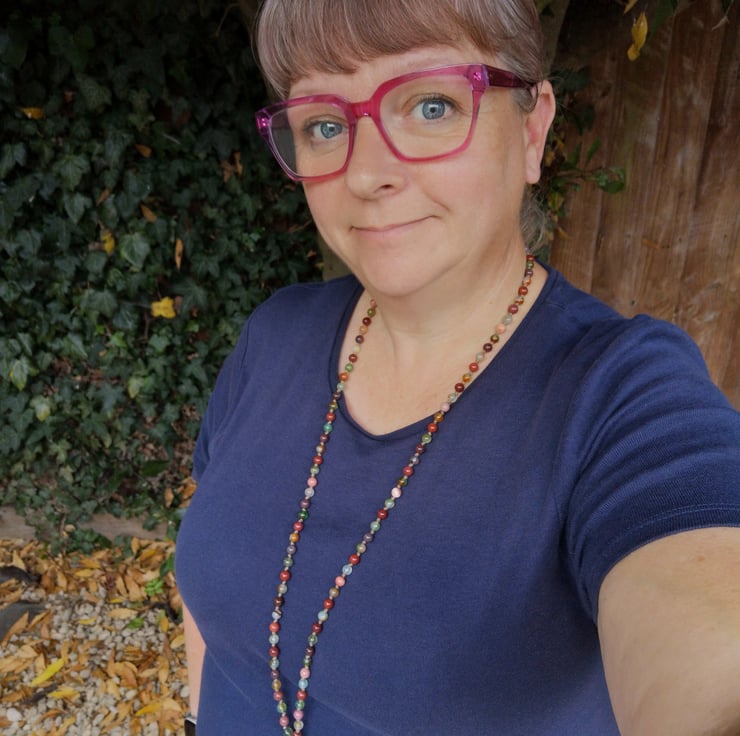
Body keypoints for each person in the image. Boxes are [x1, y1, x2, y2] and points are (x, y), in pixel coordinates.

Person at [175, 1, 740, 734]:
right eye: (324, 125)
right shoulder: (275, 335)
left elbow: (708, 627)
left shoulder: (618, 397)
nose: (367, 173)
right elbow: (208, 583)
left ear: (533, 129)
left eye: (431, 106)